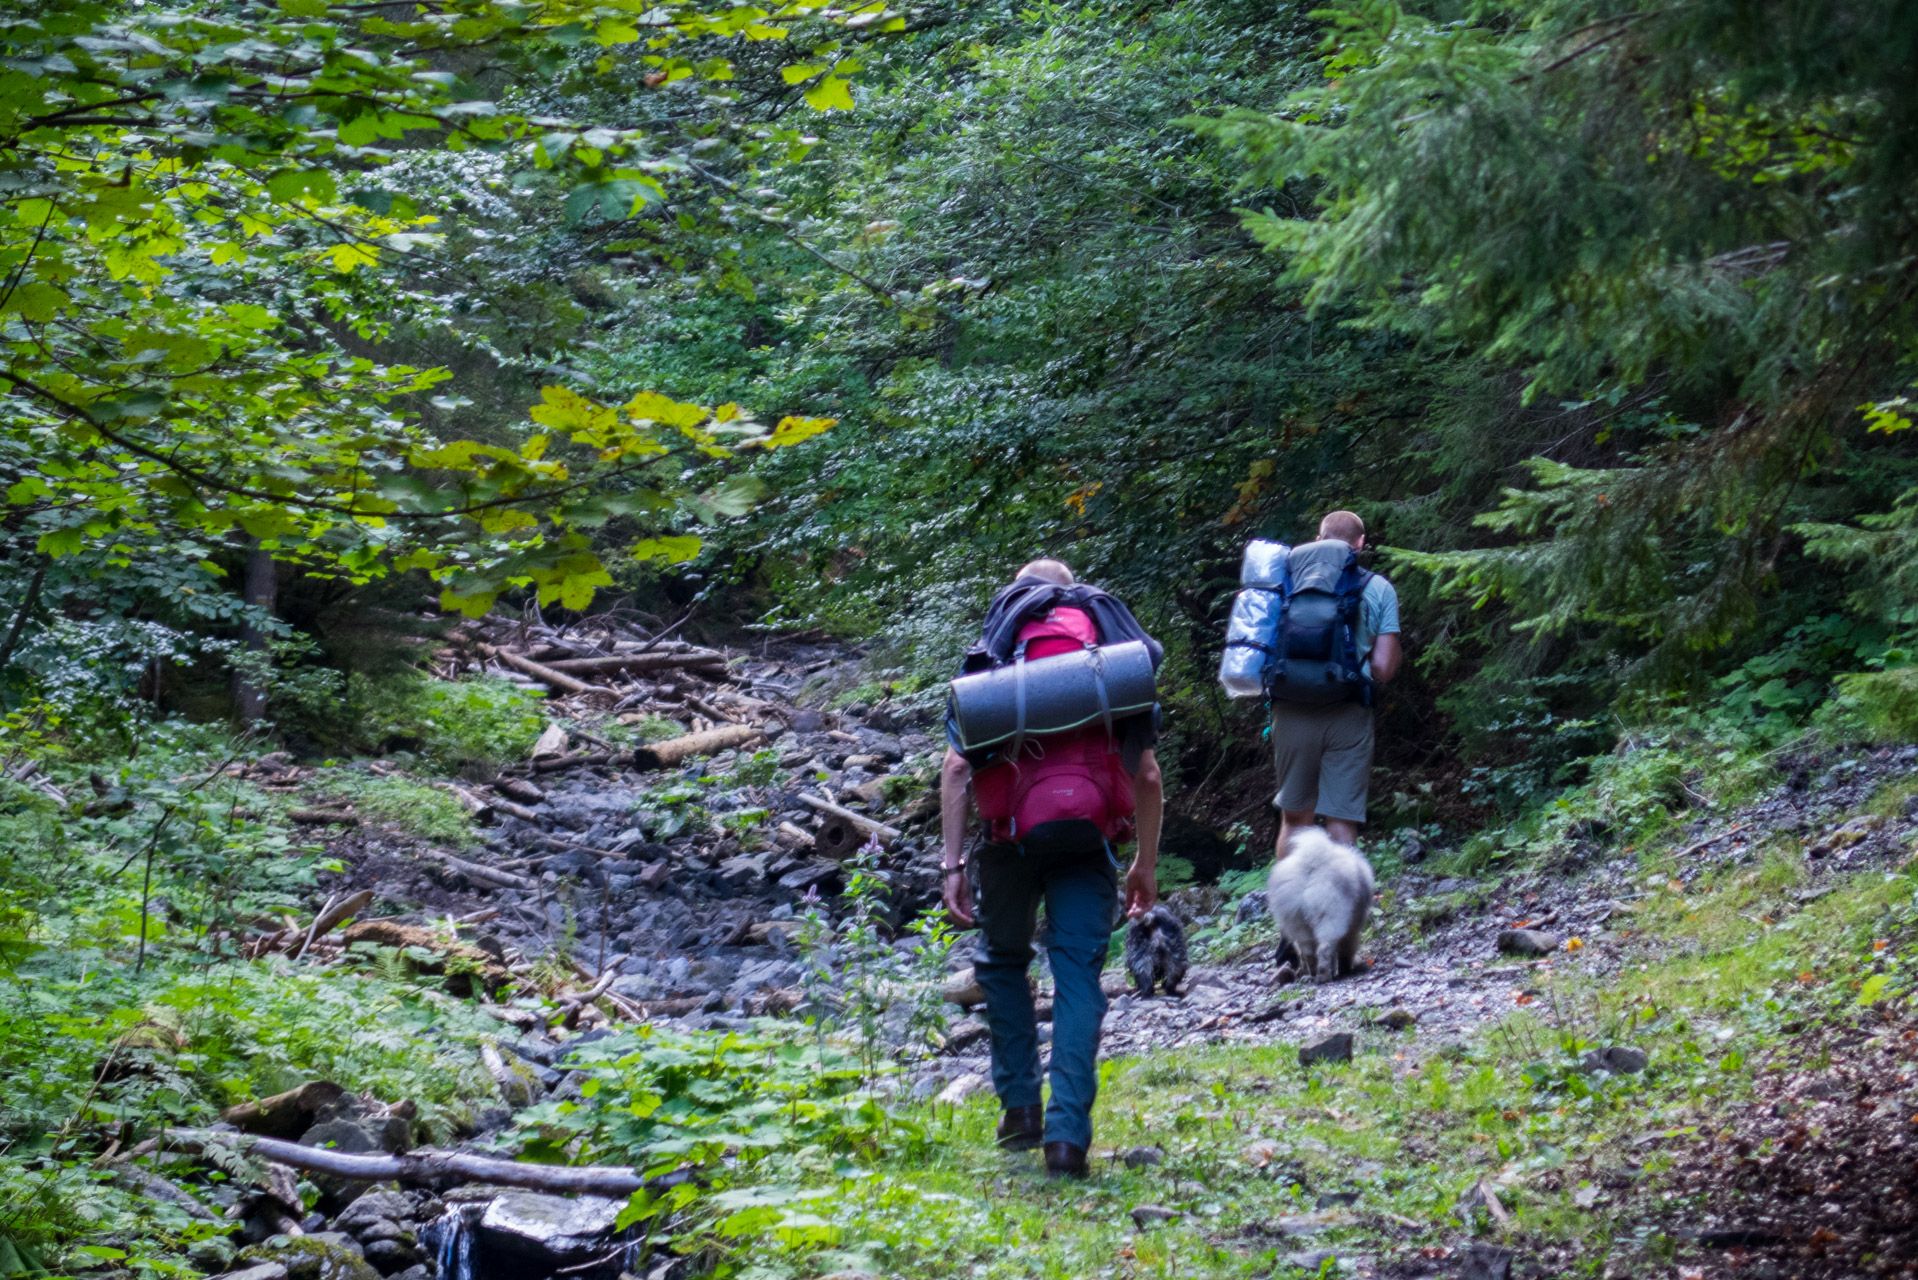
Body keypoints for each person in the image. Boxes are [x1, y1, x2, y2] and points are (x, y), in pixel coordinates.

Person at [939, 558, 1164, 1178]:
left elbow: (958, 769)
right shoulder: (1113, 666)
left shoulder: (999, 652)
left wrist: (952, 864)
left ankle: (1020, 1107)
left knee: (1003, 961)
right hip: (1089, 841)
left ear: (1019, 596)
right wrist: (1144, 863)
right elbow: (1145, 775)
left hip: (1007, 839)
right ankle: (1067, 1137)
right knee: (1078, 977)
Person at [1270, 510, 1401, 856]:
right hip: (1349, 711)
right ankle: (1343, 909)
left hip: (1290, 710)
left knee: (1295, 819)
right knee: (1341, 819)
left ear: (1318, 540)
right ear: (1360, 544)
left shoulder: (1284, 583)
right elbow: (1384, 668)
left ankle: (1291, 909)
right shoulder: (1376, 587)